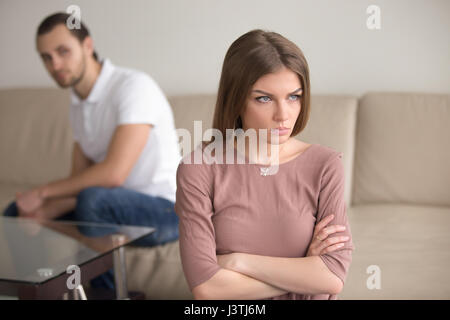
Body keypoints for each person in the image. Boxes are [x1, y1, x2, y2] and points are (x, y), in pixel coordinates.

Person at [3, 12, 181, 289]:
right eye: (46, 57)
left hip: (166, 211)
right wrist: (42, 210)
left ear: (87, 46)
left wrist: (41, 193)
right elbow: (78, 184)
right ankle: (41, 293)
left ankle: (105, 295)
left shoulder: (133, 86)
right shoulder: (78, 106)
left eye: (63, 51)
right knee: (16, 212)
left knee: (93, 200)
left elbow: (113, 175)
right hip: (108, 206)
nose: (55, 64)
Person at [174, 29, 355, 300]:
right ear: (235, 100)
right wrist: (304, 270)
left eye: (294, 96)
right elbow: (207, 289)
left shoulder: (326, 166)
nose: (283, 115)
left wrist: (238, 262)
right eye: (264, 98)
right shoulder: (198, 169)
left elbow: (332, 277)